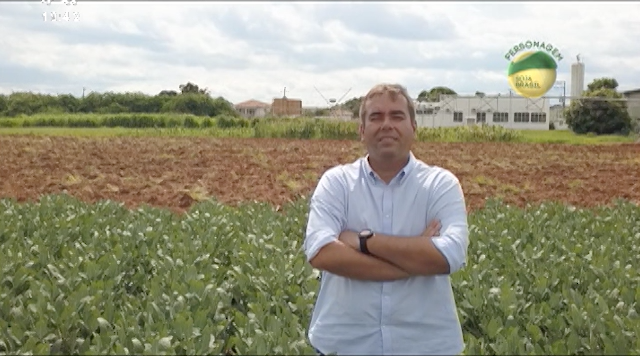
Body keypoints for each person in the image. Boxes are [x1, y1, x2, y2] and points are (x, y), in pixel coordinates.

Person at [303, 83, 470, 355]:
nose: (386, 124)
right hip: (345, 346)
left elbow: (449, 256)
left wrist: (362, 241)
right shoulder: (337, 183)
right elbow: (321, 253)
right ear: (361, 130)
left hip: (425, 346)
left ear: (413, 127)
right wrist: (414, 259)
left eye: (397, 116)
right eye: (376, 117)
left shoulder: (441, 184)